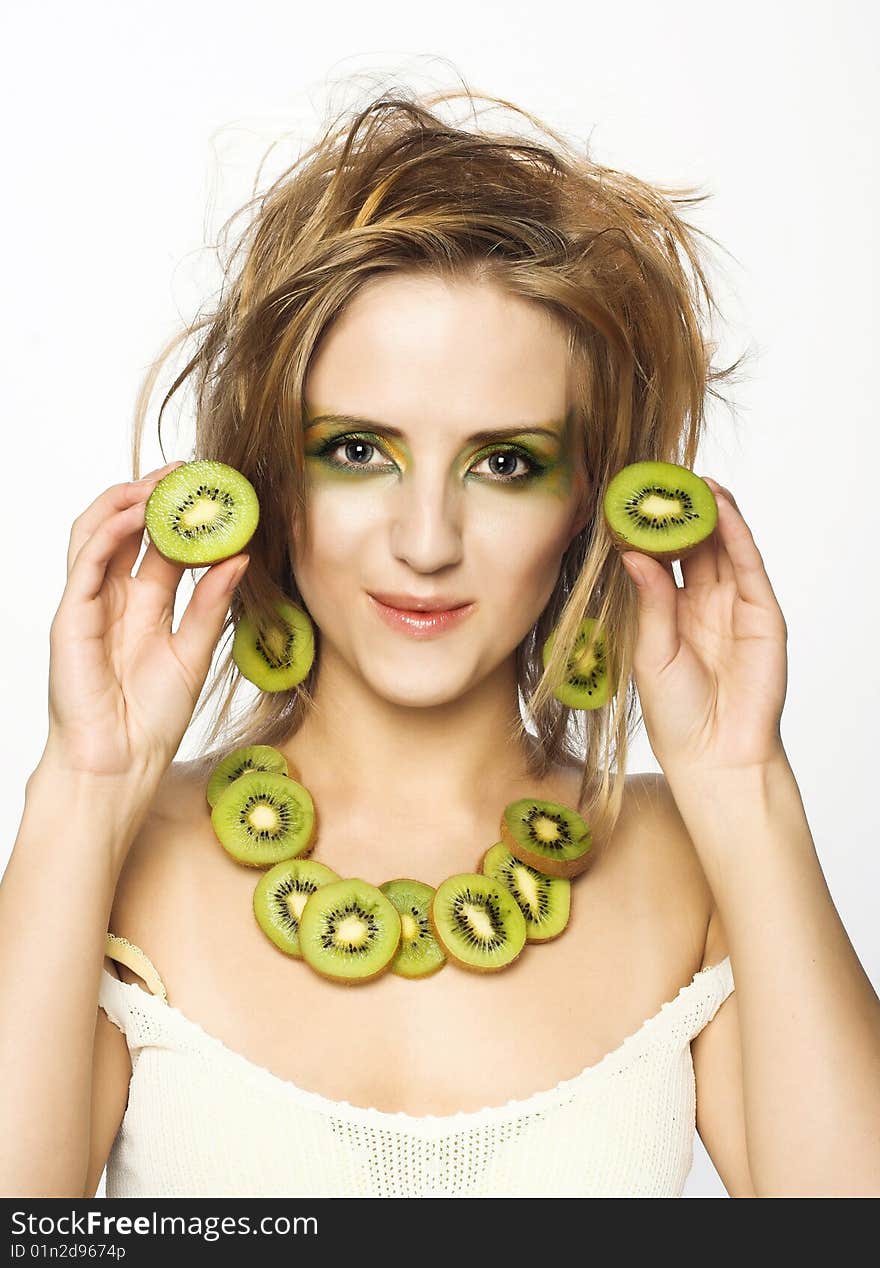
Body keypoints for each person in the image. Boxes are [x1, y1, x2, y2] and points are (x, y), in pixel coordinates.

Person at [2, 82, 878, 1201]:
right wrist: (84, 785)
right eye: (360, 450)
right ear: (269, 472)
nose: (426, 541)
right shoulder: (120, 857)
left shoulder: (692, 867)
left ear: (588, 501)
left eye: (503, 461)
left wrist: (743, 780)